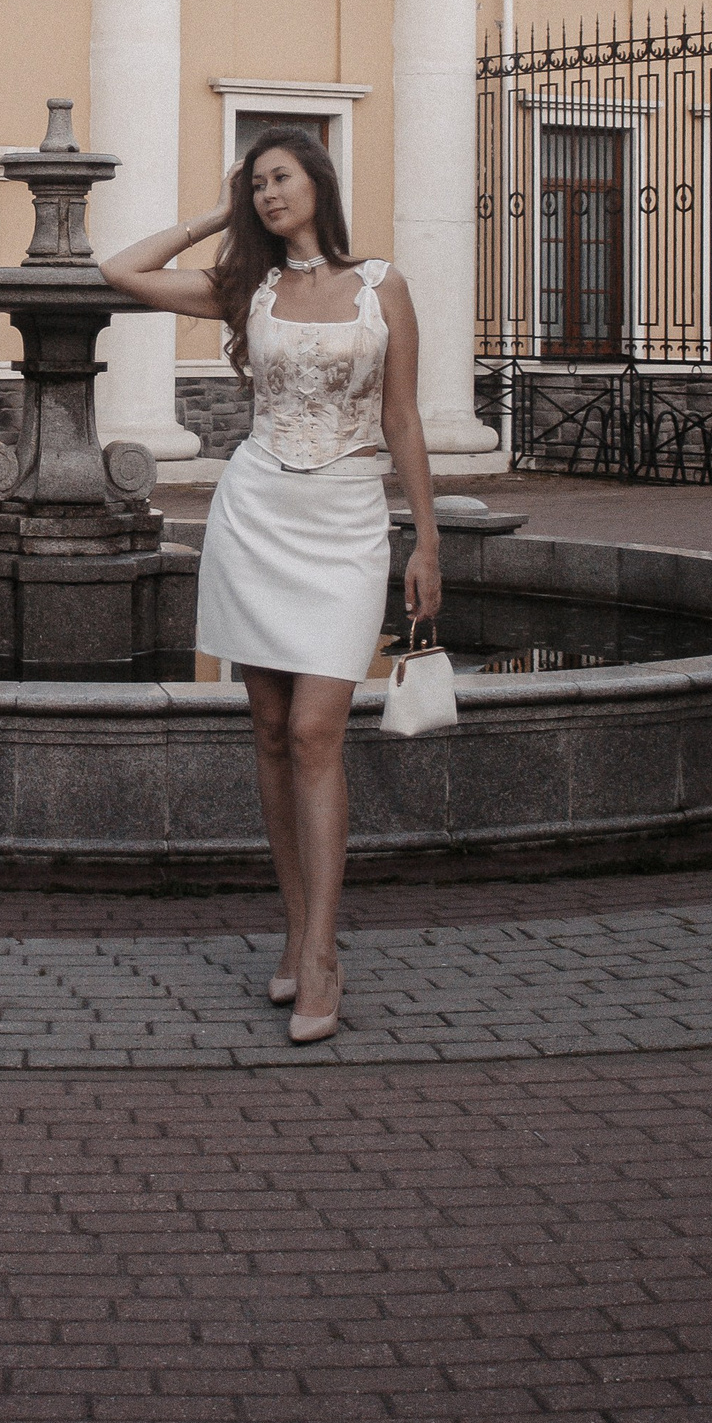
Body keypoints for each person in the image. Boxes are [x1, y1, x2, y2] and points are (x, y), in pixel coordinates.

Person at [102, 129, 441, 1046]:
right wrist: (216, 214)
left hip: (346, 520)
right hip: (255, 513)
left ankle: (322, 954)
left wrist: (426, 541)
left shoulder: (383, 286)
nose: (267, 194)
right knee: (267, 728)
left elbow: (403, 417)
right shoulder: (244, 288)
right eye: (255, 185)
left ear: (319, 181)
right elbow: (121, 271)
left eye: (279, 178)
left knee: (314, 730)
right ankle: (296, 932)